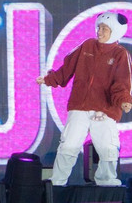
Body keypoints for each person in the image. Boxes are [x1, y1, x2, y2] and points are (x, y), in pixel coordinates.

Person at [39, 10, 132, 187]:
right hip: (79, 107)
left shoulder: (120, 54)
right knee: (68, 145)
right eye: (99, 28)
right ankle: (57, 182)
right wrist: (50, 79)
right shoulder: (87, 45)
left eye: (105, 29)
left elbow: (122, 81)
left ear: (115, 31)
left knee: (108, 148)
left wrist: (123, 100)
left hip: (105, 110)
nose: (99, 32)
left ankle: (107, 181)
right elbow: (67, 67)